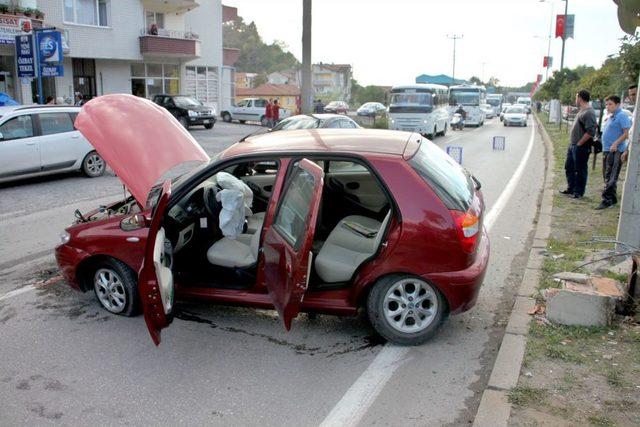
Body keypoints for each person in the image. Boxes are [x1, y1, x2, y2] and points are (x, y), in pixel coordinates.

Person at [595, 95, 631, 210]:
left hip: (616, 151)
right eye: (606, 104)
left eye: (610, 104)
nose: (607, 106)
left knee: (611, 177)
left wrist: (616, 143)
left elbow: (626, 133)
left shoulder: (622, 116)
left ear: (617, 104)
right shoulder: (611, 116)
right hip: (607, 150)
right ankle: (613, 199)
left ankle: (606, 200)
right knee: (607, 174)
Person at [560, 90, 597, 199]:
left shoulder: (589, 112)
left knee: (580, 170)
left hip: (580, 147)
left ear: (580, 98)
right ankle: (571, 188)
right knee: (569, 167)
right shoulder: (581, 111)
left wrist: (580, 143)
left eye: (576, 97)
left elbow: (591, 131)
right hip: (573, 145)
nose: (575, 100)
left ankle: (578, 192)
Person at [622, 84, 636, 164]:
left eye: (634, 94)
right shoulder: (635, 110)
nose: (632, 97)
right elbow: (632, 131)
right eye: (630, 95)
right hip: (633, 148)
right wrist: (627, 149)